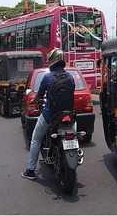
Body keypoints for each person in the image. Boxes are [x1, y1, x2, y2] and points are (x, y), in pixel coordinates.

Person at [22, 48, 75, 180]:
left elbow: (39, 96)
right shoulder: (70, 76)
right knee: (73, 136)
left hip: (50, 115)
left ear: (52, 61)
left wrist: (34, 100)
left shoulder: (47, 77)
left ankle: (30, 170)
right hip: (69, 115)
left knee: (35, 139)